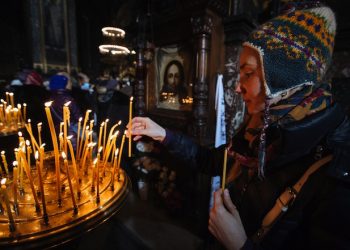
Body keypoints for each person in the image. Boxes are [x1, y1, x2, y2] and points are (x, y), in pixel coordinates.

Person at [128, 4, 350, 250]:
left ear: (285, 79)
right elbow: (211, 160)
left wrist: (239, 245)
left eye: (249, 73)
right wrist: (162, 133)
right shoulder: (260, 127)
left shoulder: (334, 169)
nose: (237, 86)